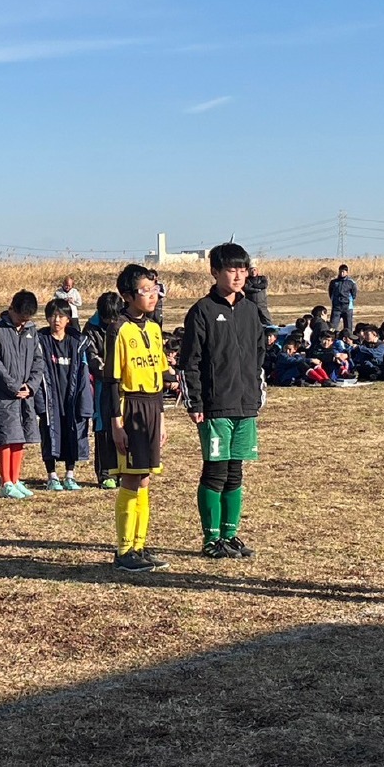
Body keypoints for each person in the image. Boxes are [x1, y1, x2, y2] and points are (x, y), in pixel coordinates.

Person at [180, 242, 266, 560]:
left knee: (235, 472)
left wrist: (256, 394)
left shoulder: (250, 311)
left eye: (242, 269)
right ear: (215, 272)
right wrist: (195, 402)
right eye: (231, 269)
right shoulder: (202, 311)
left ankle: (230, 535)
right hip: (215, 406)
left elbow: (259, 356)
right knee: (215, 472)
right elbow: (189, 362)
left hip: (245, 405)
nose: (238, 275)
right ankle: (211, 538)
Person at [106, 264, 170, 572]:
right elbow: (111, 381)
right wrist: (116, 424)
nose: (152, 295)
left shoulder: (154, 328)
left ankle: (139, 545)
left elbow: (159, 374)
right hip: (130, 406)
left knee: (145, 477)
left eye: (155, 289)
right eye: (145, 291)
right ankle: (123, 551)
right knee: (131, 477)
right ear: (127, 296)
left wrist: (162, 418)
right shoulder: (118, 329)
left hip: (152, 407)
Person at [0, 290, 44, 498]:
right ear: (12, 309)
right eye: (20, 318)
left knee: (21, 437)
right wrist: (13, 386)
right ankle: (5, 482)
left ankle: (16, 479)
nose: (23, 322)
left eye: (27, 319)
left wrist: (31, 386)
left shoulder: (32, 331)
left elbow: (39, 360)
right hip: (3, 395)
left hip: (25, 395)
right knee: (6, 437)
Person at [35, 298, 91, 490]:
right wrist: (40, 403)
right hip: (50, 398)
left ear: (68, 319)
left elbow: (84, 374)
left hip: (72, 397)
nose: (56, 320)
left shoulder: (78, 342)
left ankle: (70, 475)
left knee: (72, 433)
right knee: (49, 434)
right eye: (52, 316)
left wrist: (84, 402)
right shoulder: (40, 340)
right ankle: (52, 476)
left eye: (61, 316)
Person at [85, 292, 123, 490]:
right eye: (108, 318)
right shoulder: (91, 329)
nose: (111, 322)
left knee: (124, 426)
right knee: (103, 428)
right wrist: (109, 372)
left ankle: (124, 470)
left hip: (124, 385)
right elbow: (91, 357)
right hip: (102, 385)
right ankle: (106, 473)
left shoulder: (125, 323)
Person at [328, 264, 357, 334]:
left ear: (347, 272)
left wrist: (349, 301)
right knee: (332, 327)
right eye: (340, 271)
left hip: (347, 308)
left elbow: (354, 294)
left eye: (343, 272)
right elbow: (330, 292)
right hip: (336, 308)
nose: (342, 273)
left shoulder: (351, 282)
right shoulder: (334, 282)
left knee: (348, 328)